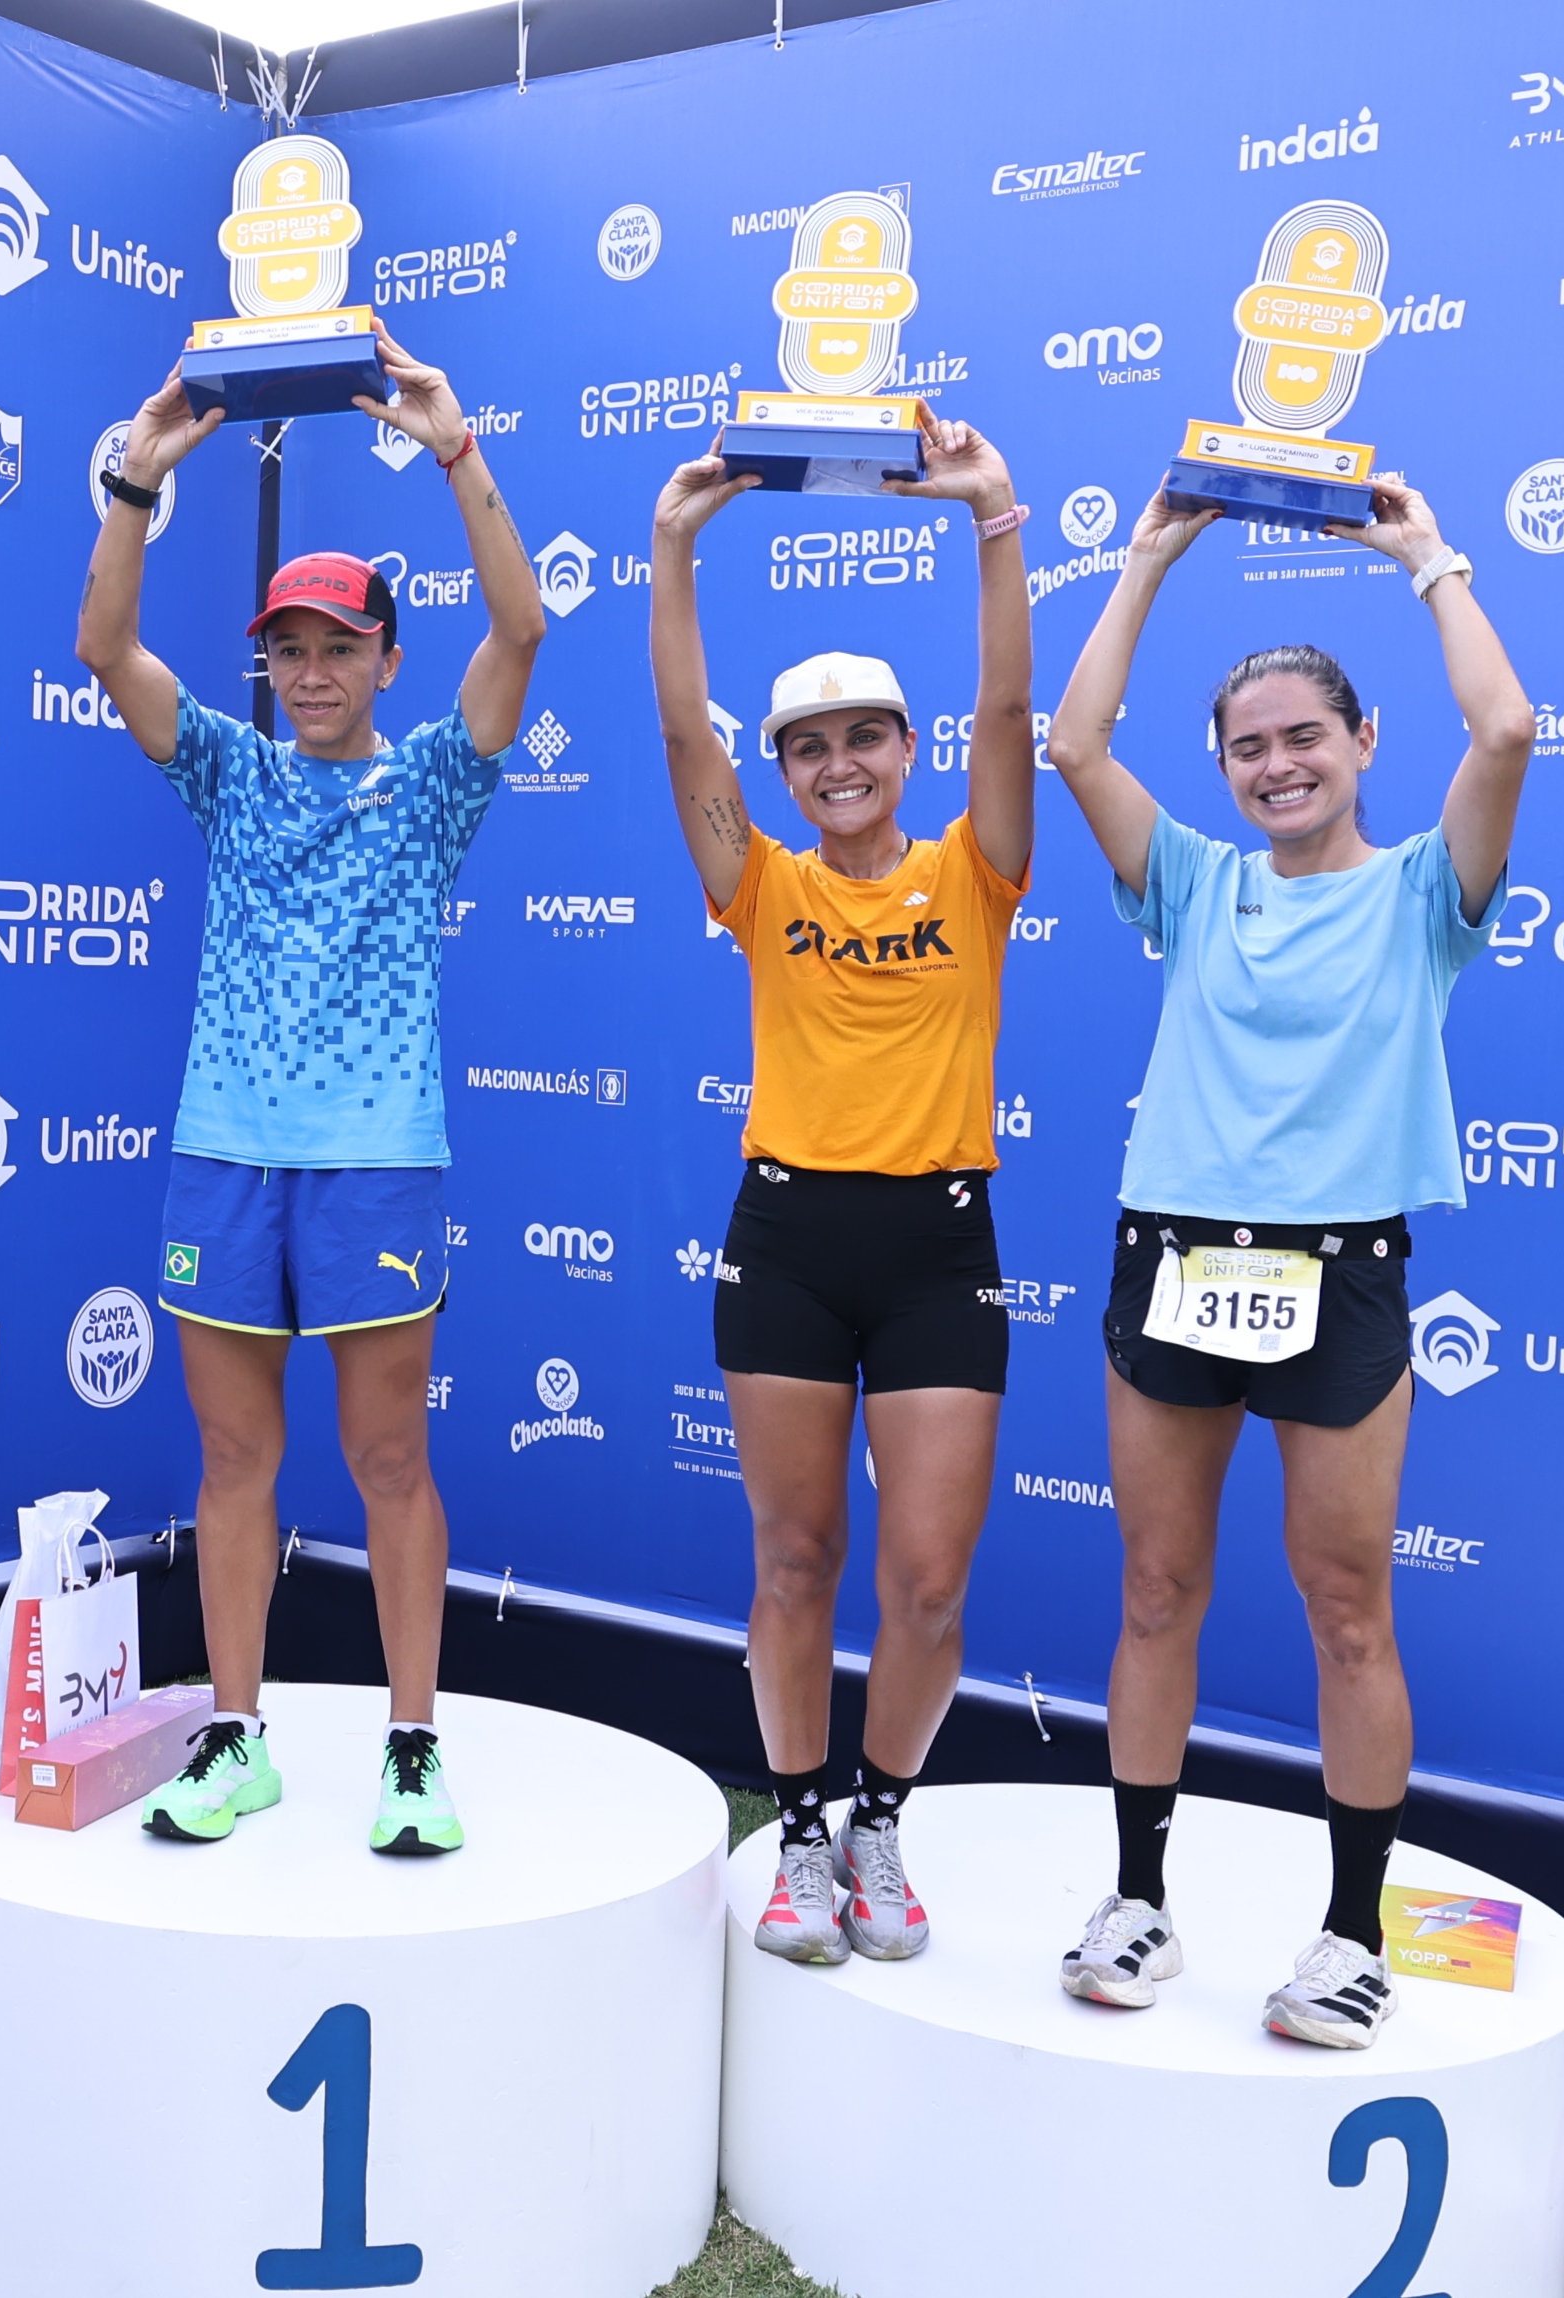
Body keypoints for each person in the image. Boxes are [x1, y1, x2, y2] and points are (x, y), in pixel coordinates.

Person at [1037, 478, 1535, 2045]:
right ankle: (1138, 1898)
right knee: (1160, 1583)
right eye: (1248, 745)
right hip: (1176, 1257)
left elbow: (1510, 729)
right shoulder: (1194, 881)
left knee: (1346, 1604)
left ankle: (1347, 1930)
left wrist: (1421, 555)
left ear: (1363, 742)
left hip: (1343, 1277)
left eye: (1303, 737)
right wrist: (1148, 558)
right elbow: (1072, 746)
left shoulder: (1422, 898)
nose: (1276, 765)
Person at [68, 320, 542, 1856]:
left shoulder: (438, 783)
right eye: (292, 646)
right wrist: (136, 482)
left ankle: (413, 1745)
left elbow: (523, 631)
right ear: (263, 663)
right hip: (226, 1153)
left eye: (344, 645)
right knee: (232, 1461)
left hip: (377, 1160)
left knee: (389, 1457)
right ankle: (238, 1733)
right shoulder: (229, 767)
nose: (317, 668)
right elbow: (104, 650)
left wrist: (455, 447)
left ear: (387, 660)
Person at [644, 422, 1034, 1966]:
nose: (840, 763)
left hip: (940, 1245)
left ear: (906, 751)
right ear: (789, 774)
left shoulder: (974, 872)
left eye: (866, 736)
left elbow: (1014, 705)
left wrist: (994, 521)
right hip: (789, 1239)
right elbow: (687, 741)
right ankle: (799, 1826)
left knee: (929, 1585)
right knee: (794, 1560)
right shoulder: (766, 885)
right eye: (810, 747)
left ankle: (882, 1812)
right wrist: (675, 547)